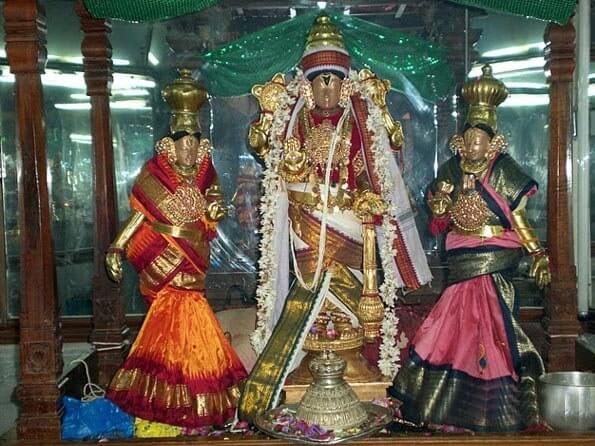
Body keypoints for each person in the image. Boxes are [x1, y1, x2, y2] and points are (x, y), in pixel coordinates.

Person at [238, 14, 431, 423]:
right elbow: (278, 171)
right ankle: (308, 360)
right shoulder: (296, 123)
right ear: (307, 85)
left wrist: (365, 201)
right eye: (319, 80)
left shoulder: (355, 125)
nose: (327, 89)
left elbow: (367, 174)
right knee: (310, 292)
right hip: (305, 226)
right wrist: (291, 168)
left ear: (345, 85)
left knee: (351, 295)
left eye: (334, 80)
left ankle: (352, 363)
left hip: (347, 225)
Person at [389, 65, 549, 432]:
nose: (474, 146)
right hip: (462, 263)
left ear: (493, 143)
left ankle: (499, 409)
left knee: (495, 332)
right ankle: (444, 408)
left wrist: (538, 254)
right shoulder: (449, 171)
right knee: (449, 328)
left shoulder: (505, 171)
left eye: (481, 140)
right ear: (461, 140)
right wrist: (442, 205)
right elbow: (438, 221)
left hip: (495, 261)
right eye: (469, 139)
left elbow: (519, 219)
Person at [104, 70, 247, 433]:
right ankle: (167, 410)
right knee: (170, 334)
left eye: (196, 145)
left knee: (197, 332)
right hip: (163, 264)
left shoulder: (206, 174)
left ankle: (196, 407)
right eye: (184, 144)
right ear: (170, 144)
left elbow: (216, 205)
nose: (190, 151)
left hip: (193, 261)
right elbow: (139, 218)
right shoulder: (152, 177)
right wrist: (117, 247)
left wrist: (216, 209)